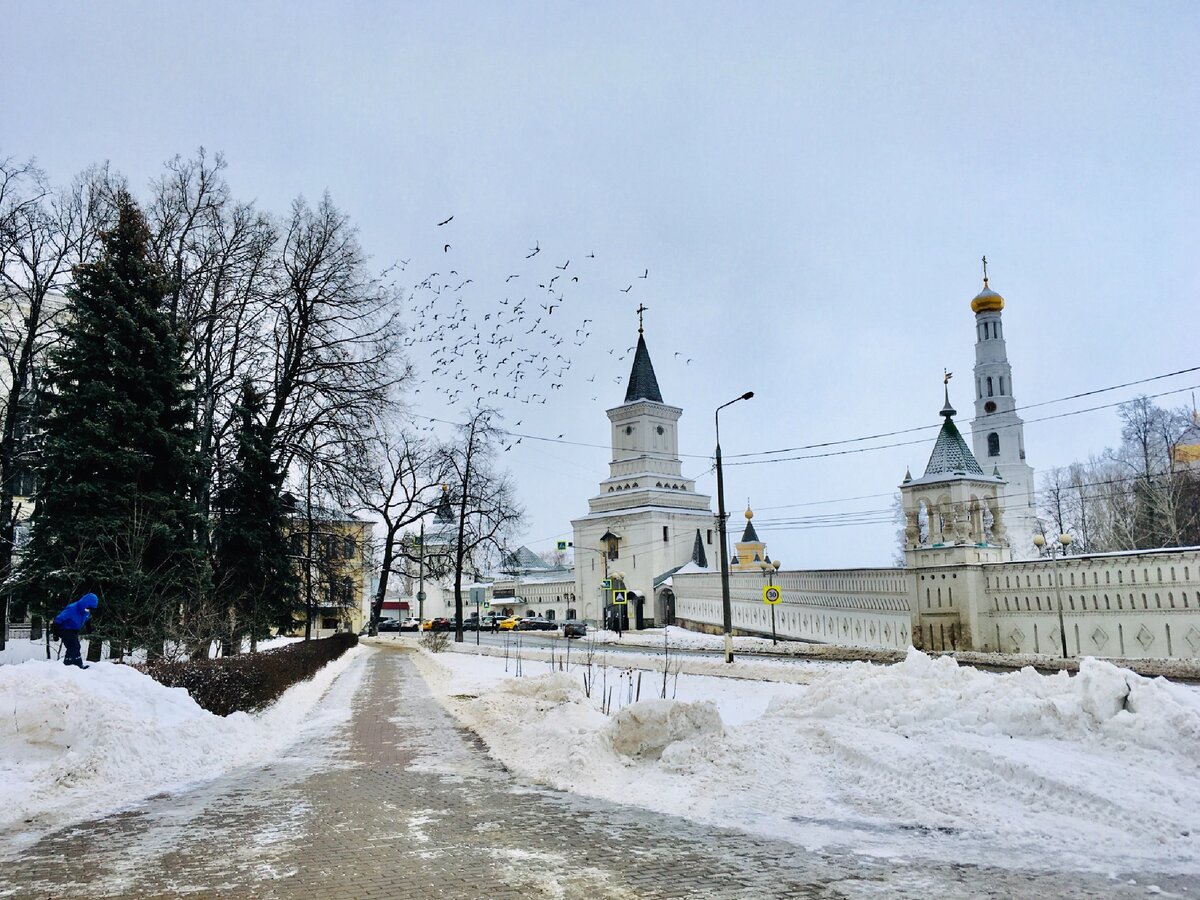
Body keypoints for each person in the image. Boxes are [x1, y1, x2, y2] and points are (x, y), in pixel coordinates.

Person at [53, 592, 99, 669]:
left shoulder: (85, 611)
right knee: (73, 646)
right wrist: (55, 633)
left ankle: (78, 664)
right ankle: (67, 665)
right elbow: (58, 619)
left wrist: (89, 627)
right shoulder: (72, 609)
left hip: (74, 630)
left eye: (91, 609)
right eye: (88, 608)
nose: (89, 610)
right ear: (85, 604)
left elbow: (86, 619)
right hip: (65, 629)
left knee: (77, 646)